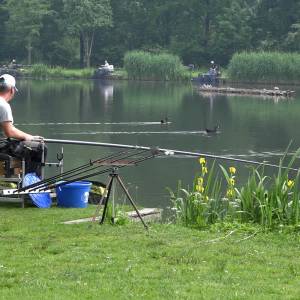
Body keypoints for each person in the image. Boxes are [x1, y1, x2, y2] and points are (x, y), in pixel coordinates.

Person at [0, 74, 46, 177]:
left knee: (23, 145)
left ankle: (19, 179)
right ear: (12, 90)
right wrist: (30, 137)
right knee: (40, 147)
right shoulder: (3, 105)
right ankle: (31, 183)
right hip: (1, 147)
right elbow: (9, 131)